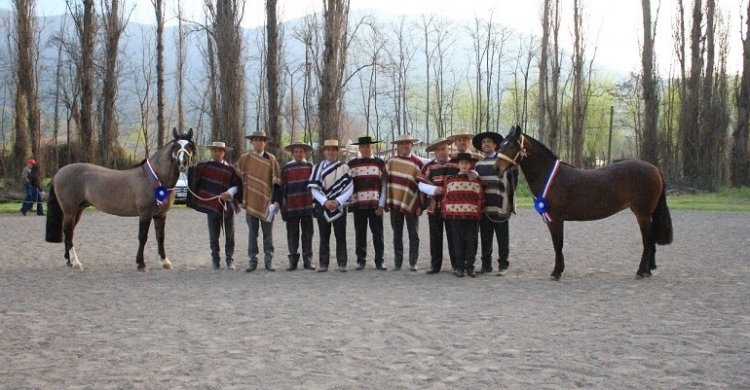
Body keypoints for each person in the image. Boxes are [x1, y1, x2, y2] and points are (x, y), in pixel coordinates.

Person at [423, 152, 484, 278]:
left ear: (470, 165)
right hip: (453, 216)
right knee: (457, 241)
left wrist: (478, 210)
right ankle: (459, 267)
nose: (464, 165)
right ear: (458, 165)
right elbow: (447, 197)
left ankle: (470, 267)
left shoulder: (476, 180)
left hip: (471, 217)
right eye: (462, 163)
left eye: (467, 163)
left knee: (471, 241)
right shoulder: (450, 180)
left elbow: (480, 196)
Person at [186, 141, 242, 270]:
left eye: (220, 151)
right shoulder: (205, 167)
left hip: (227, 205)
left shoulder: (231, 169)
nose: (217, 153)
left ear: (224, 153)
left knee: (230, 234)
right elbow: (191, 171)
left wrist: (229, 192)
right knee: (213, 234)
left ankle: (229, 260)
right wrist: (185, 161)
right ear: (212, 152)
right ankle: (215, 260)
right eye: (215, 150)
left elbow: (238, 185)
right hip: (211, 205)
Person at [236, 131, 282, 272]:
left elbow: (277, 182)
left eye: (261, 140)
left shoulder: (271, 159)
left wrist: (276, 201)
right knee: (252, 233)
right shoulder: (245, 159)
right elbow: (237, 178)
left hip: (267, 202)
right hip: (251, 202)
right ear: (252, 142)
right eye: (255, 140)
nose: (258, 142)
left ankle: (268, 260)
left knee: (268, 234)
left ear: (265, 142)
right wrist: (239, 198)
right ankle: (252, 261)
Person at [473, 131, 517, 275]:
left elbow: (513, 183)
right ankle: (486, 265)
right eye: (483, 142)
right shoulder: (478, 165)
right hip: (484, 207)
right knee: (485, 238)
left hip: (501, 205)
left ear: (495, 145)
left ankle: (503, 265)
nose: (486, 144)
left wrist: (510, 203)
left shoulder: (504, 162)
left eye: (489, 142)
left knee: (502, 238)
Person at [308, 139, 353, 272]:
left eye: (333, 149)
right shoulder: (317, 168)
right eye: (328, 149)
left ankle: (342, 263)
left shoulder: (344, 168)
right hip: (323, 205)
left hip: (340, 205)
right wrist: (324, 201)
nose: (331, 152)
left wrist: (338, 200)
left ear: (337, 151)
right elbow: (314, 188)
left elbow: (350, 188)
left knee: (341, 235)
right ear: (324, 152)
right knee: (324, 235)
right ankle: (323, 263)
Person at [385, 134, 424, 271]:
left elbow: (421, 186)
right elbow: (385, 182)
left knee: (414, 233)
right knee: (397, 233)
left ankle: (413, 261)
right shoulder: (391, 162)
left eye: (407, 143)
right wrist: (385, 201)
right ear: (397, 146)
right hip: (395, 202)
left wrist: (420, 205)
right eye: (401, 143)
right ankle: (398, 261)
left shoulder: (417, 163)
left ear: (412, 145)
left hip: (411, 203)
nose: (404, 146)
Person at [348, 135, 387, 271]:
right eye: (363, 147)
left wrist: (382, 204)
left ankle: (379, 260)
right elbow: (347, 185)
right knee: (360, 233)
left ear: (372, 147)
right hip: (359, 203)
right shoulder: (352, 164)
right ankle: (361, 260)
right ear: (359, 148)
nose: (365, 149)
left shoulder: (379, 163)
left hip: (375, 205)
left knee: (378, 233)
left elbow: (384, 185)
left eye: (368, 146)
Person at [417, 137, 456, 274]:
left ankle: (456, 265)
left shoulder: (455, 165)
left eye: (443, 149)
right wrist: (434, 190)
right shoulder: (429, 166)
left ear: (448, 149)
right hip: (434, 206)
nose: (441, 152)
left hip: (452, 208)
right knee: (435, 237)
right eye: (438, 150)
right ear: (434, 152)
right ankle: (435, 265)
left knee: (453, 236)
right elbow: (420, 183)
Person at [280, 140, 316, 271]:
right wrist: (284, 207)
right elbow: (283, 188)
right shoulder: (287, 168)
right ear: (292, 153)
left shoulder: (311, 167)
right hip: (292, 206)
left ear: (305, 153)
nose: (298, 154)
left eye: (301, 151)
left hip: (307, 206)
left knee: (308, 234)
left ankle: (308, 261)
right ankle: (292, 262)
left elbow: (316, 187)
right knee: (292, 234)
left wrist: (314, 204)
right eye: (296, 151)